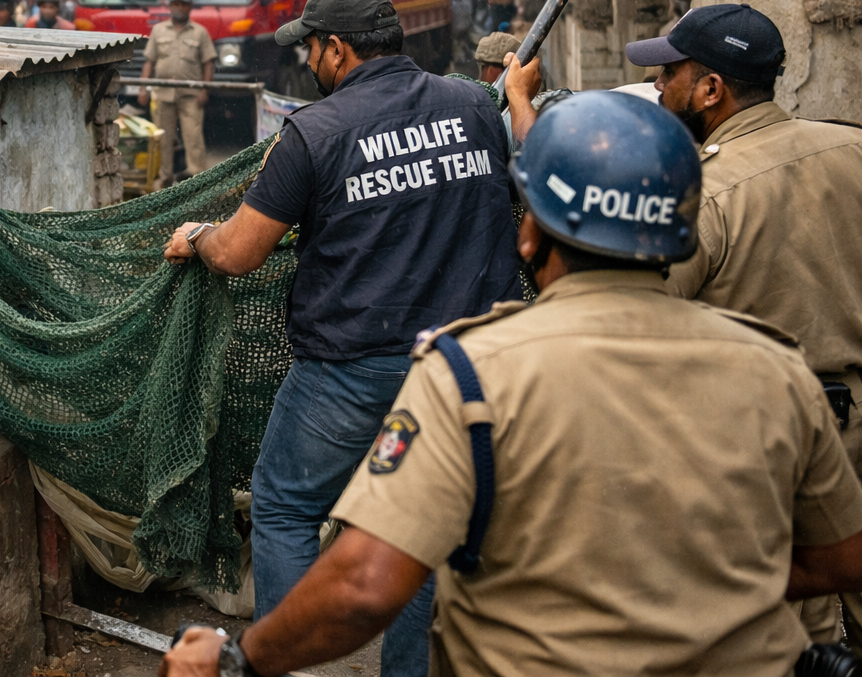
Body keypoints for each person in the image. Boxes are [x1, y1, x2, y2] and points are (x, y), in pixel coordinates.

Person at [161, 91, 862, 677]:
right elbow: (840, 556)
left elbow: (365, 586)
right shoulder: (781, 370)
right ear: (681, 233)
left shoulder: (469, 375)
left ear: (530, 237)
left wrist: (240, 659)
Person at [162, 0, 522, 677]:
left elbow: (239, 251)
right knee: (417, 526)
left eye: (313, 50)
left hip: (351, 371)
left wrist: (198, 235)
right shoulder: (473, 105)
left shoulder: (314, 132)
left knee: (289, 507)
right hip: (468, 370)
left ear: (336, 49)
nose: (308, 64)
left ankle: (272, 664)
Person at [627, 2, 862, 640]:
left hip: (768, 452)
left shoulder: (702, 194)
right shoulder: (852, 147)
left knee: (789, 638)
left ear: (710, 89)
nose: (656, 86)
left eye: (668, 73)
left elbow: (637, 322)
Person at [139, 0, 217, 187]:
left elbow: (208, 63)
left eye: (183, 4)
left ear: (189, 7)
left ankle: (197, 182)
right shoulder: (158, 31)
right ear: (170, 6)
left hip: (190, 95)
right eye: (176, 4)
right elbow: (150, 61)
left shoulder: (200, 32)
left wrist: (204, 89)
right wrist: (143, 88)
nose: (179, 8)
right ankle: (164, 181)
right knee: (163, 141)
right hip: (163, 95)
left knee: (193, 138)